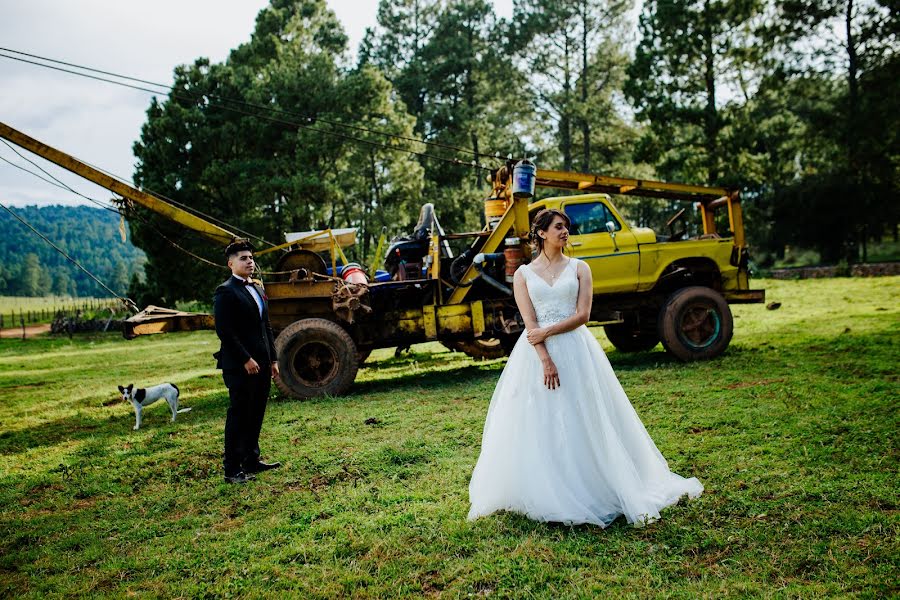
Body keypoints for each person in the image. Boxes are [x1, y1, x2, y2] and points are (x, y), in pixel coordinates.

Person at [468, 209, 703, 526]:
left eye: (566, 227)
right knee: (542, 416)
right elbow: (530, 323)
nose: (565, 232)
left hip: (576, 348)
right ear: (541, 234)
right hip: (537, 355)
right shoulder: (523, 274)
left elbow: (583, 316)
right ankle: (551, 484)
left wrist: (549, 333)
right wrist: (545, 358)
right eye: (558, 227)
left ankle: (596, 482)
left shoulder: (580, 268)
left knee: (585, 413)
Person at [213, 240, 281, 484]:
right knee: (239, 415)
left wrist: (273, 358)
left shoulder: (258, 288)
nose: (250, 261)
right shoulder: (225, 291)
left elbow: (267, 326)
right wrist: (246, 358)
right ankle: (232, 470)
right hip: (239, 366)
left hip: (262, 363)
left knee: (256, 413)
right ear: (231, 263)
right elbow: (225, 331)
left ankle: (251, 460)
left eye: (251, 257)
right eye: (243, 258)